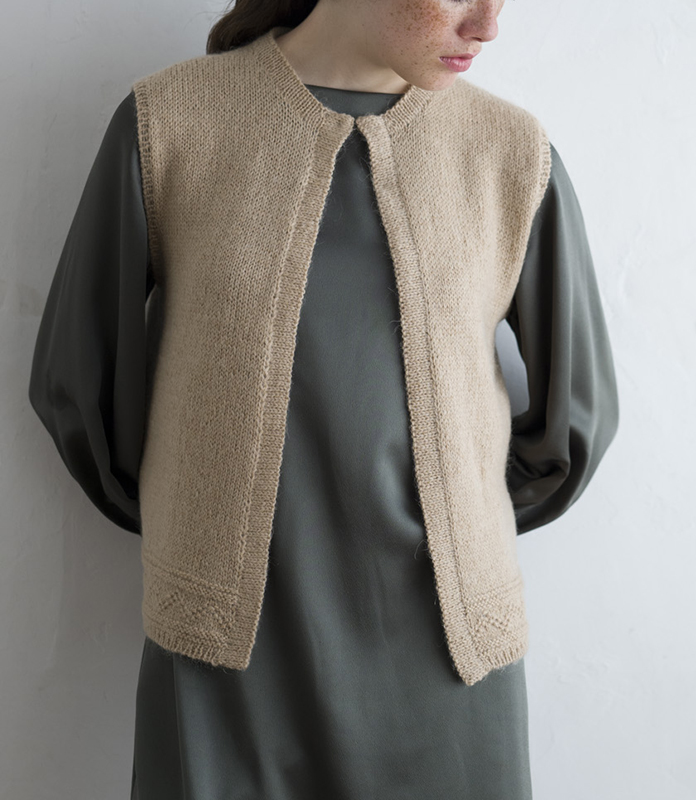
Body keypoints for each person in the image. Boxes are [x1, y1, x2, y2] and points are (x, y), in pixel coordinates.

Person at [28, 0, 620, 797]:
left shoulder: (509, 153)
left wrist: (459, 515)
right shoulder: (172, 122)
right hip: (221, 665)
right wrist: (195, 514)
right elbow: (79, 385)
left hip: (449, 661)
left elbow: (574, 423)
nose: (487, 25)